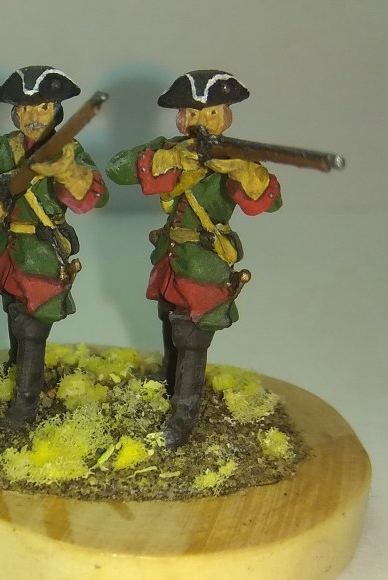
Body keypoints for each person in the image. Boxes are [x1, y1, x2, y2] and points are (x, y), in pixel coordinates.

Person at [106, 69, 282, 448]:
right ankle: (169, 381)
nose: (202, 121)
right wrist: (167, 159)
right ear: (181, 117)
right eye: (194, 113)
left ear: (227, 116)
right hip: (170, 256)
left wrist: (244, 171)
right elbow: (117, 169)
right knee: (168, 319)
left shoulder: (236, 156)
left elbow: (270, 202)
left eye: (213, 113)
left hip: (204, 263)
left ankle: (183, 416)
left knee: (192, 338)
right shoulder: (172, 148)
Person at [0, 66, 108, 426]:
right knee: (13, 312)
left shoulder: (69, 151)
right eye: (25, 108)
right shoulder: (2, 149)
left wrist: (68, 173)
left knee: (32, 328)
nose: (33, 116)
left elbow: (96, 196)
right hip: (10, 248)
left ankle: (24, 409)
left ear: (56, 110)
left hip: (44, 253)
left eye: (42, 107)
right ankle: (16, 370)